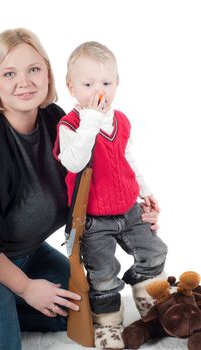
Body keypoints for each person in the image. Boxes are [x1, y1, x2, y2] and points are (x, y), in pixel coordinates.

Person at [0, 29, 159, 350]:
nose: (24, 82)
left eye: (33, 69)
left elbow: (98, 179)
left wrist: (135, 209)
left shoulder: (56, 120)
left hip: (27, 253)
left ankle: (1, 306)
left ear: (47, 71)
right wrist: (27, 288)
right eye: (9, 73)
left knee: (76, 313)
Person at [53, 41, 168, 349]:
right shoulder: (70, 125)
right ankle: (108, 325)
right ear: (71, 86)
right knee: (102, 275)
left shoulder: (121, 120)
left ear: (117, 84)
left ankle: (148, 300)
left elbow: (129, 159)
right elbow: (74, 162)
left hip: (129, 210)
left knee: (155, 252)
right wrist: (90, 120)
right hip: (94, 219)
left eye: (106, 83)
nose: (98, 91)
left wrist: (145, 191)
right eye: (88, 84)